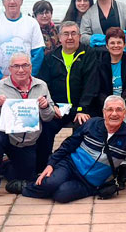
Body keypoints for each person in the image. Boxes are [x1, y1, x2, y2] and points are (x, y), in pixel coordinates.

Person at [24, 95, 126, 202]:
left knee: (61, 195)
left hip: (90, 182)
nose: (114, 114)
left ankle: (49, 187)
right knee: (51, 183)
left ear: (124, 114)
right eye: (110, 110)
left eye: (119, 110)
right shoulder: (92, 124)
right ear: (103, 112)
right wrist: (51, 164)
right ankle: (24, 187)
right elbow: (69, 144)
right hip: (70, 165)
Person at [0, 53, 58, 200]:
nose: (21, 70)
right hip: (6, 136)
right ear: (10, 69)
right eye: (16, 66)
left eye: (25, 65)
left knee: (24, 178)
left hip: (29, 140)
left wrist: (45, 106)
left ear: (31, 67)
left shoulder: (41, 85)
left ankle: (6, 165)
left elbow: (48, 117)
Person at [35, 21, 99, 170]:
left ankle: (76, 167)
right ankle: (42, 167)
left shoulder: (88, 54)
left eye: (73, 34)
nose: (70, 37)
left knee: (83, 127)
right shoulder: (51, 58)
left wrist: (82, 108)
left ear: (79, 36)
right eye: (66, 34)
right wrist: (52, 106)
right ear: (59, 37)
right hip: (58, 108)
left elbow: (92, 84)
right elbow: (43, 85)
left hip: (82, 107)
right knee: (45, 127)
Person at [92, 27, 126, 122]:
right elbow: (97, 88)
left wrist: (119, 106)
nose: (116, 46)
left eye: (119, 42)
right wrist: (110, 106)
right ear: (107, 46)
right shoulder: (98, 62)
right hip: (104, 106)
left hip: (125, 106)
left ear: (124, 44)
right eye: (112, 43)